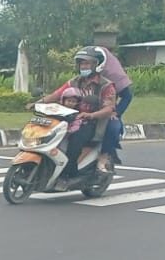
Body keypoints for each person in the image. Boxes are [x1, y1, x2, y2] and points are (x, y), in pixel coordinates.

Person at [39, 48, 119, 176]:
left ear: (97, 65)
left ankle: (69, 174)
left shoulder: (106, 85)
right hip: (71, 118)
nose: (83, 66)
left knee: (75, 142)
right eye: (82, 64)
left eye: (87, 64)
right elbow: (57, 94)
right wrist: (39, 102)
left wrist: (91, 115)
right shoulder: (75, 81)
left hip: (91, 122)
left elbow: (109, 108)